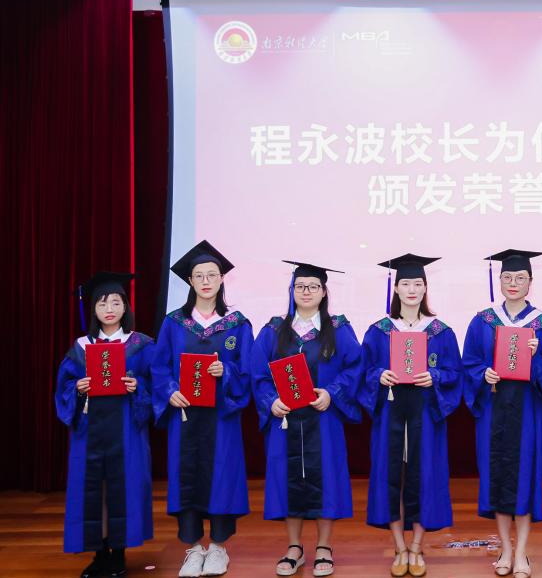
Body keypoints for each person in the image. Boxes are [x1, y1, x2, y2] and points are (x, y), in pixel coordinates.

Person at [250, 261, 364, 577]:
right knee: (288, 479)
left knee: (326, 478)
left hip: (323, 419)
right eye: (300, 286)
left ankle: (324, 547)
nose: (306, 292)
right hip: (285, 420)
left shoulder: (337, 329)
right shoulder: (275, 330)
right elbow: (257, 373)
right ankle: (294, 548)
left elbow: (355, 366)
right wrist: (270, 401)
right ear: (292, 291)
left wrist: (332, 393)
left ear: (324, 292)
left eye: (313, 286)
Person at [150, 240, 252, 578]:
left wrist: (227, 371)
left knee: (221, 476)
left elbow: (249, 370)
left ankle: (219, 548)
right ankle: (193, 549)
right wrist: (169, 391)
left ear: (222, 279)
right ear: (190, 281)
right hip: (186, 416)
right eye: (199, 276)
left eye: (212, 275)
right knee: (187, 476)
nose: (206, 281)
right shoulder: (174, 323)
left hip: (221, 416)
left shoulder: (237, 324)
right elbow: (159, 366)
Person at [359, 254, 462, 577]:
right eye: (406, 284)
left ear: (426, 288)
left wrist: (436, 376)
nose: (412, 289)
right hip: (390, 412)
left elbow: (455, 373)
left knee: (424, 477)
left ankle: (416, 547)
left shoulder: (441, 332)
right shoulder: (378, 331)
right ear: (396, 288)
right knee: (390, 477)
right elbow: (363, 371)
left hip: (425, 413)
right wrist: (379, 375)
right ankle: (399, 548)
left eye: (418, 283)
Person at [462, 249, 542, 578]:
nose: (513, 283)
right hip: (493, 410)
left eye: (520, 278)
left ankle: (521, 553)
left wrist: (537, 357)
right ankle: (505, 549)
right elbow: (469, 363)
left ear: (531, 282)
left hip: (528, 412)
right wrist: (483, 374)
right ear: (499, 281)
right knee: (496, 477)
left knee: (524, 478)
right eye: (507, 277)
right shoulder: (482, 321)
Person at [56, 272, 154, 578]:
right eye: (102, 303)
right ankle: (99, 554)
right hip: (90, 430)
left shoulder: (141, 344)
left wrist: (137, 386)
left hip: (126, 429)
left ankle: (119, 553)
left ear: (125, 306)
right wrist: (77, 387)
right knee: (93, 488)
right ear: (93, 310)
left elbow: (158, 384)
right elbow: (63, 387)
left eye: (115, 302)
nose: (109, 309)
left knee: (124, 485)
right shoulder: (80, 347)